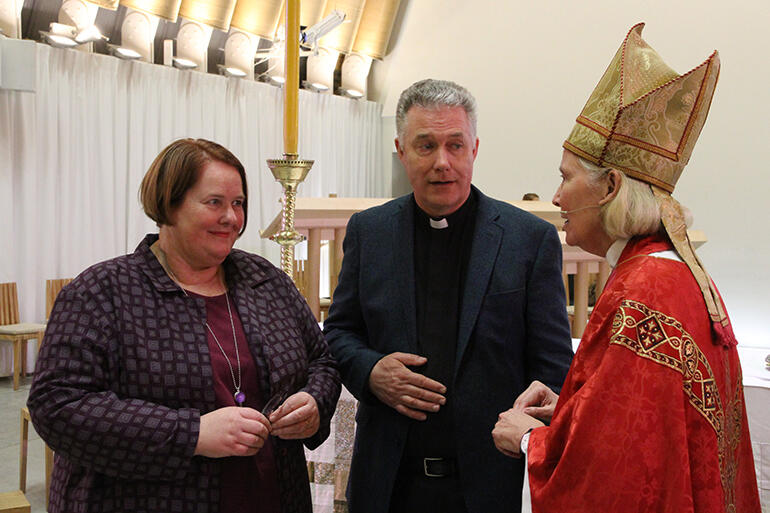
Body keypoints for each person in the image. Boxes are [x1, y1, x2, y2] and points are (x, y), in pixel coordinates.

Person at [492, 24, 761, 512]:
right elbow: (649, 436)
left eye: (565, 178)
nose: (556, 198)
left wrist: (529, 440)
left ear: (611, 186)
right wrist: (570, 414)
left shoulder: (642, 292)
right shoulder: (672, 273)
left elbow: (616, 479)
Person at [27, 138, 341, 513]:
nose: (231, 217)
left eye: (238, 203)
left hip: (271, 494)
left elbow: (321, 361)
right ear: (168, 204)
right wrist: (191, 434)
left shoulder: (264, 280)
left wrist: (313, 403)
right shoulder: (102, 292)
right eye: (215, 202)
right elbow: (57, 406)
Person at [323, 79, 574, 513]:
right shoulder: (370, 232)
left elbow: (553, 367)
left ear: (474, 149)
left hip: (491, 483)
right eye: (425, 146)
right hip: (389, 482)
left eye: (455, 145)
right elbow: (340, 333)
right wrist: (371, 371)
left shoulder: (528, 239)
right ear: (401, 151)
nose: (443, 162)